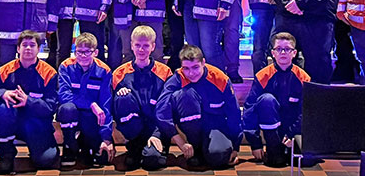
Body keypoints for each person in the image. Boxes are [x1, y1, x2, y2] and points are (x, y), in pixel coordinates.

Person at [153, 45, 242, 169]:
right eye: (186, 68)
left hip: (215, 125)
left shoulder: (220, 79)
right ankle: (195, 149)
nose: (191, 73)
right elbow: (161, 110)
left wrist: (236, 147)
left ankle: (205, 152)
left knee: (220, 156)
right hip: (189, 128)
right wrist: (180, 141)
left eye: (195, 67)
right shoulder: (178, 78)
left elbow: (234, 114)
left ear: (203, 63)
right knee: (186, 94)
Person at [0, 31, 60, 173]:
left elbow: (51, 107)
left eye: (32, 45)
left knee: (46, 160)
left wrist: (28, 101)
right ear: (18, 48)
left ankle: (42, 148)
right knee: (2, 109)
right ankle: (6, 155)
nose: (28, 48)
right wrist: (3, 93)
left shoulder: (49, 73)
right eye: (24, 45)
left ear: (39, 48)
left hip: (37, 125)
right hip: (13, 122)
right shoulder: (5, 70)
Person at [111, 25, 175, 170]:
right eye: (137, 45)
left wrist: (157, 134)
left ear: (153, 46)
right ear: (131, 45)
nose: (141, 49)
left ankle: (156, 147)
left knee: (152, 161)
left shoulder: (165, 72)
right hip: (133, 130)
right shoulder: (119, 74)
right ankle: (134, 146)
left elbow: (167, 109)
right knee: (122, 98)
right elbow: (113, 109)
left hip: (157, 128)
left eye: (146, 45)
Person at [242, 32, 310, 167]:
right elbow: (249, 110)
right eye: (279, 49)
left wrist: (292, 134)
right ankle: (274, 148)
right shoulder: (262, 76)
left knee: (306, 161)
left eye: (287, 49)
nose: (283, 52)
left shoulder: (303, 78)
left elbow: (306, 111)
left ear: (294, 53)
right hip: (272, 129)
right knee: (266, 100)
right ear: (273, 53)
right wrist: (255, 144)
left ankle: (290, 147)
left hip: (293, 128)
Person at [57, 33, 115, 167]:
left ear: (96, 53)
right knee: (66, 109)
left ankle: (87, 142)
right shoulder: (65, 66)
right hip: (73, 115)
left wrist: (106, 138)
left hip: (92, 119)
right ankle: (69, 146)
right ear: (74, 52)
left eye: (87, 52)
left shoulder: (104, 71)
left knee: (101, 160)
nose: (83, 56)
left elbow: (106, 104)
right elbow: (63, 95)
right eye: (79, 52)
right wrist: (91, 104)